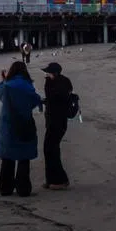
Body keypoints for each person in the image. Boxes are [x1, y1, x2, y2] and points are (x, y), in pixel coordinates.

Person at [0, 60, 43, 197]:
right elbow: (35, 100)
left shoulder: (7, 86)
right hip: (24, 123)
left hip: (7, 125)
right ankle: (23, 188)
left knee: (7, 159)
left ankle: (5, 188)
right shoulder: (27, 85)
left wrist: (4, 80)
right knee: (23, 158)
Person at [41, 62, 73, 190]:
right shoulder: (63, 82)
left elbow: (54, 99)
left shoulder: (59, 84)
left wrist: (48, 84)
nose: (46, 74)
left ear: (54, 73)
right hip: (56, 121)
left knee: (50, 150)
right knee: (50, 150)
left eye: (48, 72)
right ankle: (51, 180)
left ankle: (61, 180)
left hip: (57, 121)